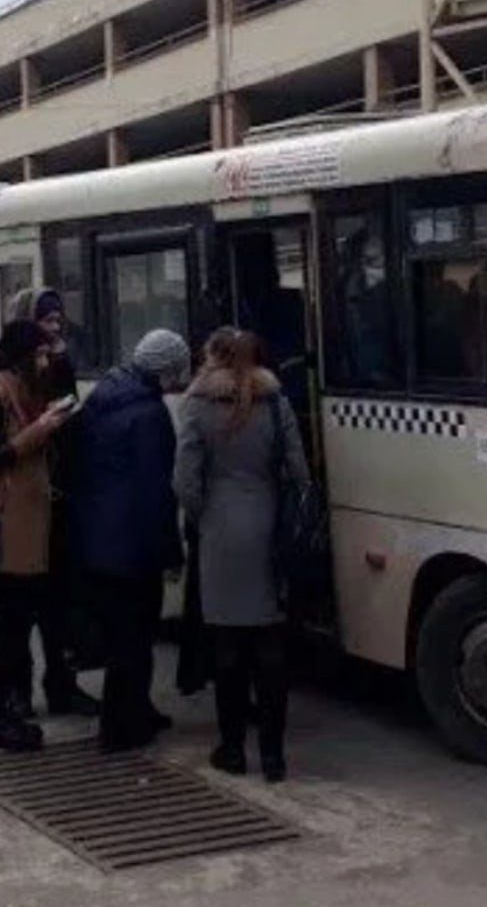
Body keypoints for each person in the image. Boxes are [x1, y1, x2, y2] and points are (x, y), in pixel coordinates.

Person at [174, 327, 309, 783]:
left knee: (227, 648)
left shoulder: (197, 405)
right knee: (271, 650)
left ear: (212, 357)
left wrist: (201, 518)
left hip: (219, 534)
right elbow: (299, 470)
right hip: (268, 529)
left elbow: (186, 481)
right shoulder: (275, 401)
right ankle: (274, 756)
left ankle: (232, 749)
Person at [0, 289, 100, 719]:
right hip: (11, 520)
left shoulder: (48, 371)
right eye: (46, 320)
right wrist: (42, 428)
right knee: (14, 617)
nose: (56, 327)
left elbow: (70, 427)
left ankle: (61, 685)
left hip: (51, 506)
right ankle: (12, 698)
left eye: (60, 318)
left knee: (56, 608)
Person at [71, 329, 190, 753]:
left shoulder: (106, 395)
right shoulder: (149, 415)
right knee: (134, 640)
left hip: (97, 540)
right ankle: (121, 729)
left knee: (122, 636)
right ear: (165, 369)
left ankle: (134, 711)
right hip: (132, 546)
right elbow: (156, 490)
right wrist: (171, 552)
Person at [0, 321, 73, 751]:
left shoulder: (23, 390)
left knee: (19, 623)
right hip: (7, 529)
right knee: (9, 629)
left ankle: (8, 711)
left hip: (30, 527)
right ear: (21, 356)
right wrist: (40, 430)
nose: (45, 361)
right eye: (40, 354)